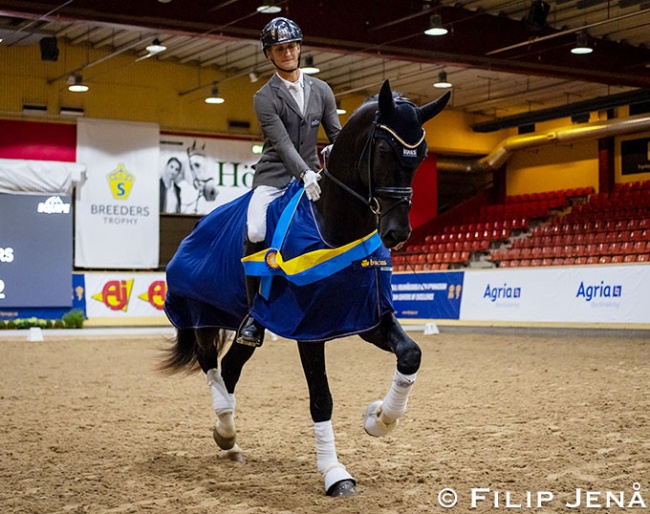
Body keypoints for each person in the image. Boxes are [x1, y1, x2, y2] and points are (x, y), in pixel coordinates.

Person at [236, 17, 341, 346]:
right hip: (274, 175)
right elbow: (281, 144)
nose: (288, 53)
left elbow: (335, 134)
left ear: (300, 47)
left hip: (313, 175)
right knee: (255, 229)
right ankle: (253, 314)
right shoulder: (263, 97)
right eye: (280, 49)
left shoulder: (321, 90)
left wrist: (339, 154)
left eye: (292, 46)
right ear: (269, 54)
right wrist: (305, 173)